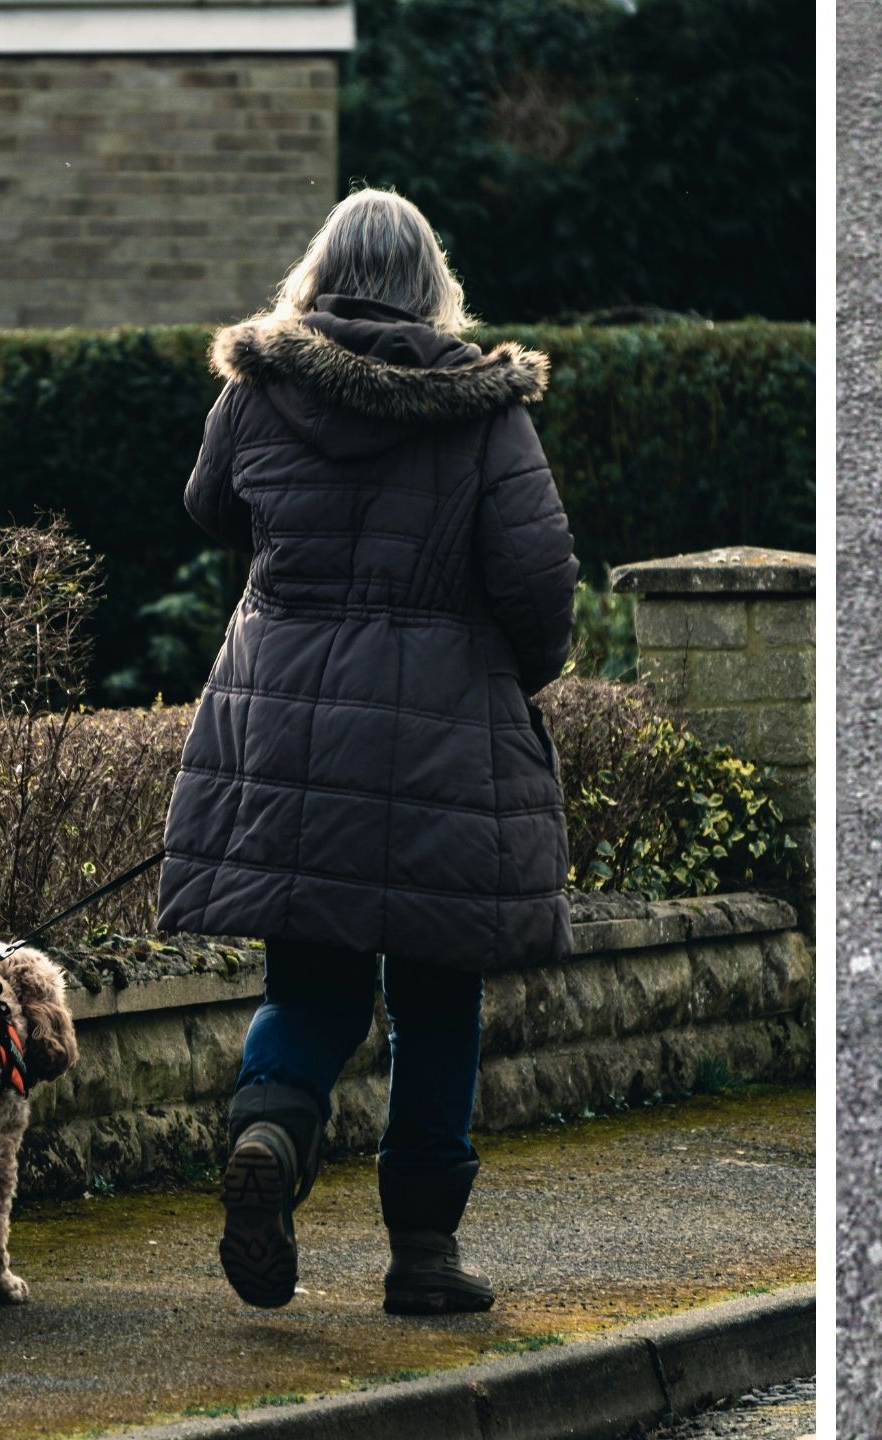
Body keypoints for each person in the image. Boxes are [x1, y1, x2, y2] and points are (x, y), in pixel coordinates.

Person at [154, 188, 578, 1315]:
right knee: (438, 998)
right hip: (442, 735)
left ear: (319, 270)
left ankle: (270, 1136)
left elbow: (209, 507)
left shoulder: (257, 389)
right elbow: (537, 582)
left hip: (286, 723)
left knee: (311, 979)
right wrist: (514, 675)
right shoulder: (482, 406)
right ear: (428, 279)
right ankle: (424, 1260)